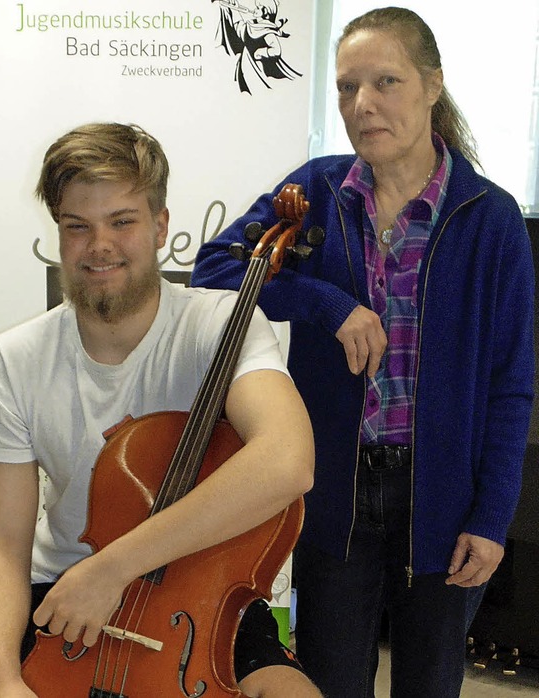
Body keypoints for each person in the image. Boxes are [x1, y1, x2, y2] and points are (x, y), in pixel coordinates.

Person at [0, 123, 321, 698]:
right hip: (56, 589)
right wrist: (4, 681)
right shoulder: (13, 357)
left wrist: (110, 569)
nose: (99, 245)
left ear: (159, 227)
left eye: (122, 222)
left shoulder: (221, 324)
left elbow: (287, 461)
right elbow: (1, 545)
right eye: (78, 227)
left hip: (195, 591)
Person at [192, 6, 535, 697]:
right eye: (347, 88)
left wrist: (493, 518)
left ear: (433, 85)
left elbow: (512, 384)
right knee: (329, 679)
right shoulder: (317, 191)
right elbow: (214, 266)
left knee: (430, 685)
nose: (363, 105)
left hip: (443, 497)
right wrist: (326, 303)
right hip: (336, 492)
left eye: (386, 82)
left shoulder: (489, 218)